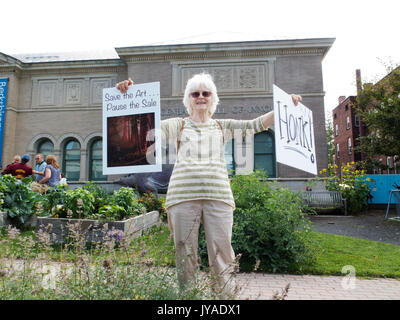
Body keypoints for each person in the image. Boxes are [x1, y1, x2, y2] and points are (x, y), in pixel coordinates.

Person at [116, 73, 302, 295]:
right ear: (189, 98)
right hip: (182, 198)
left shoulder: (222, 126)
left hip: (219, 198)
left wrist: (284, 106)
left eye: (206, 93)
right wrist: (129, 95)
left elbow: (255, 124)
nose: (201, 97)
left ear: (213, 98)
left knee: (222, 254)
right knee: (185, 254)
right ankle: (188, 298)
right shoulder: (178, 125)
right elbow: (144, 129)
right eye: (195, 93)